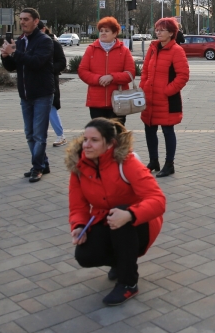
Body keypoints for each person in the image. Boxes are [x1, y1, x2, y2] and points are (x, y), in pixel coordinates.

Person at [66, 118, 166, 306]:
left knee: (119, 214)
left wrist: (130, 214)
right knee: (84, 256)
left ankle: (128, 282)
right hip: (107, 220)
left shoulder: (126, 162)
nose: (86, 144)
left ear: (110, 143)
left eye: (94, 140)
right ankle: (120, 262)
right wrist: (79, 226)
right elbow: (77, 206)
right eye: (85, 139)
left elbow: (158, 200)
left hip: (139, 222)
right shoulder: (79, 167)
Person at [0, 8, 54, 182]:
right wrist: (5, 57)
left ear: (36, 21)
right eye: (21, 19)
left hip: (42, 94)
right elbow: (13, 67)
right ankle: (43, 164)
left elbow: (36, 62)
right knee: (29, 134)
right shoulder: (21, 41)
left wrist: (14, 53)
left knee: (39, 135)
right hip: (25, 94)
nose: (22, 22)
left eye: (26, 19)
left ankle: (37, 167)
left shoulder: (44, 41)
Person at [139, 17, 190, 177]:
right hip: (150, 97)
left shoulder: (176, 50)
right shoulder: (153, 48)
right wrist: (144, 87)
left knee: (168, 130)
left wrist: (167, 91)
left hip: (167, 99)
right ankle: (153, 160)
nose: (158, 32)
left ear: (171, 33)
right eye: (157, 29)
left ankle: (169, 164)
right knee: (149, 129)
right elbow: (145, 70)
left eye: (162, 30)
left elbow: (183, 75)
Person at [78, 17, 136, 126]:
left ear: (115, 33)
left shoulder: (124, 51)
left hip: (118, 101)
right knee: (99, 134)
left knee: (117, 134)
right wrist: (98, 79)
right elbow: (82, 71)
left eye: (107, 31)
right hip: (96, 101)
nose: (103, 33)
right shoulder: (91, 49)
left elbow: (130, 73)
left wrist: (112, 77)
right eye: (101, 31)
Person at [40, 23, 67, 147]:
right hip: (32, 83)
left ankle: (60, 135)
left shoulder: (53, 44)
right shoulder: (28, 42)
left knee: (51, 108)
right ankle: (38, 136)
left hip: (49, 82)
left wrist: (49, 70)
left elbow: (62, 62)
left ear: (43, 29)